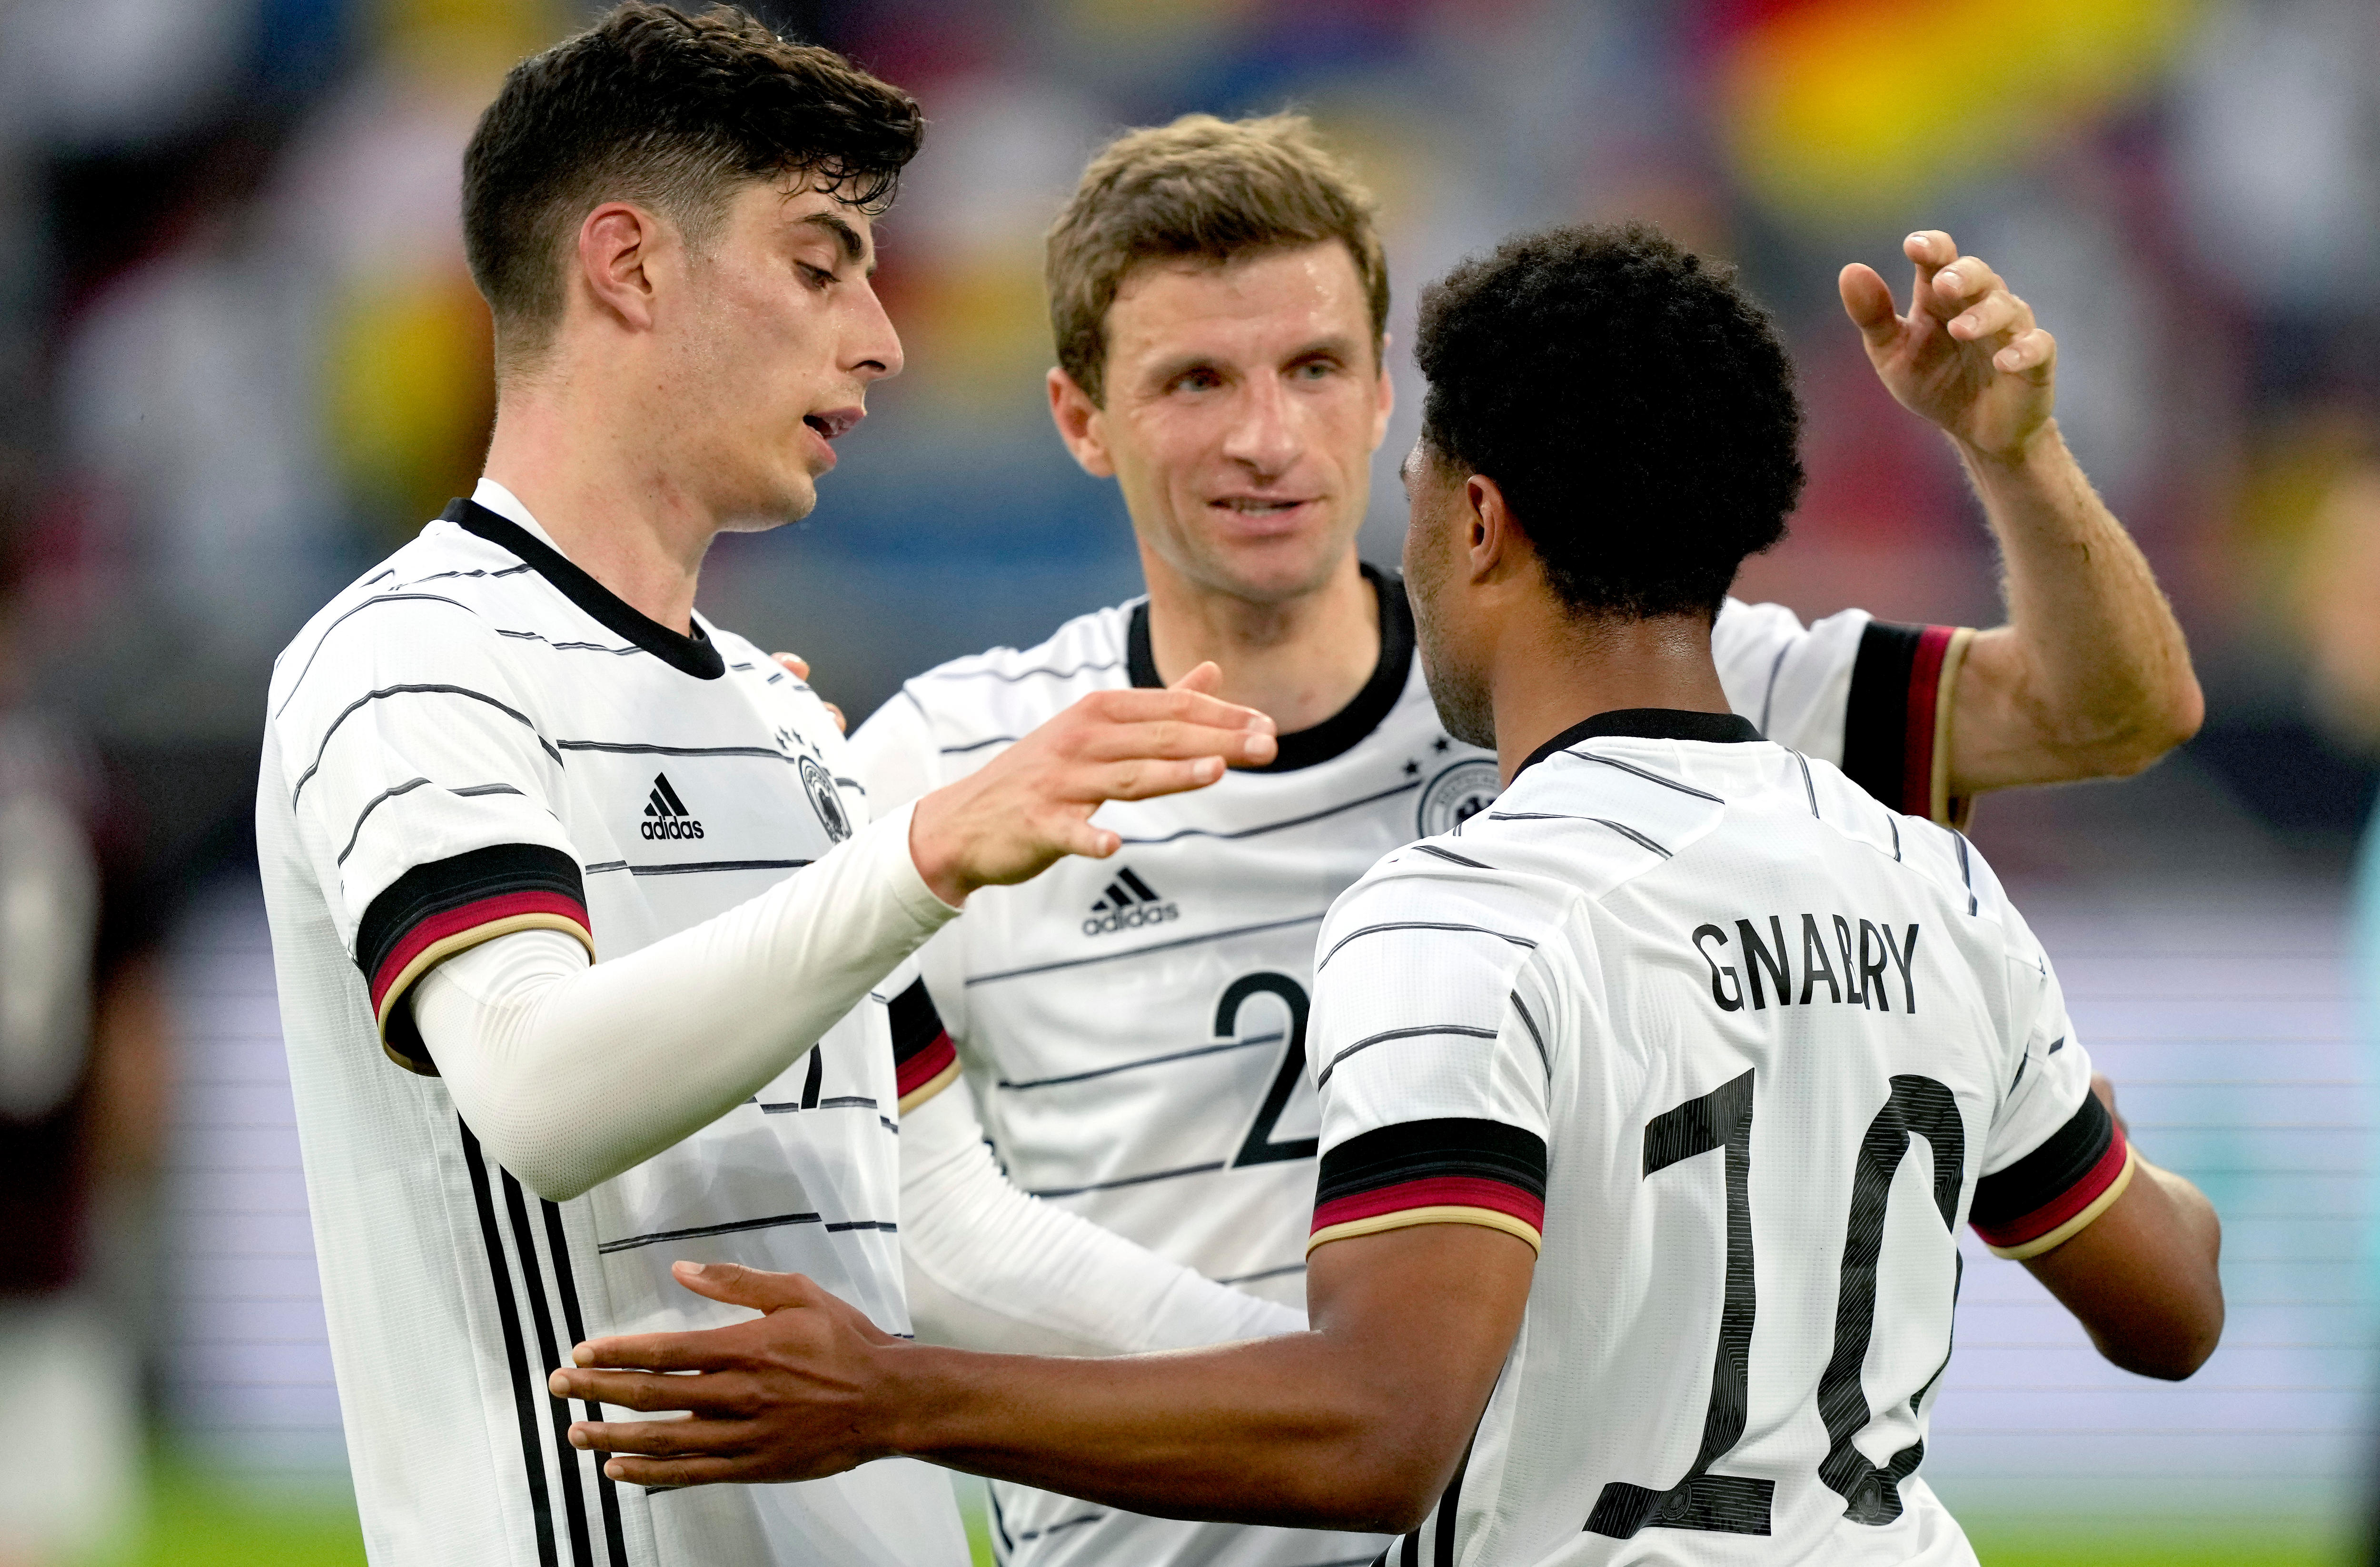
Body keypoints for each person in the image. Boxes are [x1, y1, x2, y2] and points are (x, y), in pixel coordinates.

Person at [550, 220, 2228, 1567]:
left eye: (1347, 401)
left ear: (1468, 511)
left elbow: (1379, 1431)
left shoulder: (1459, 912)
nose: (1282, 444)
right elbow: (2174, 1304)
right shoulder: (1934, 881)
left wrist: (892, 1396)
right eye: (1196, 378)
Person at [254, 8, 1275, 1566]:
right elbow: (537, 1092)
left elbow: (938, 1226)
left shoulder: (788, 728)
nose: (882, 338)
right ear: (629, 266)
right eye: (819, 265)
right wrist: (922, 856)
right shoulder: (409, 657)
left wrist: (1325, 1380)